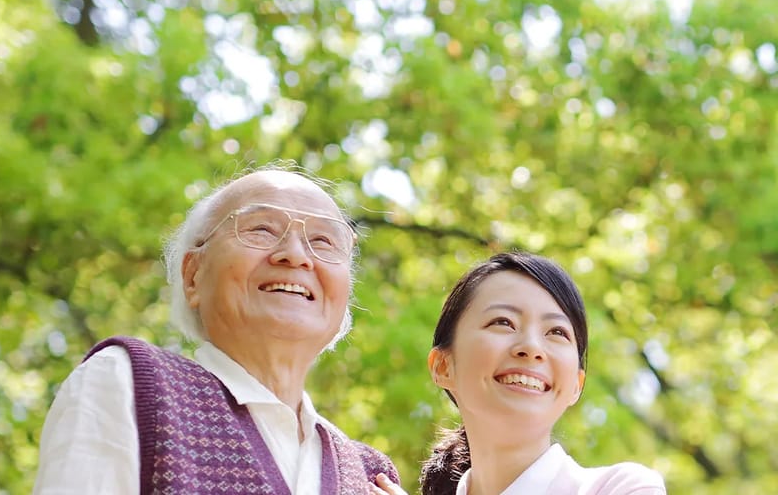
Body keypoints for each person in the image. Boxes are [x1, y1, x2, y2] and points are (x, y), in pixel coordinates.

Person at [34, 163, 400, 494]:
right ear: (193, 274)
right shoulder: (129, 384)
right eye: (261, 229)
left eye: (323, 241)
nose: (295, 255)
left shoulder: (370, 475)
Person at [372, 251, 665, 495]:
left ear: (576, 384)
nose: (531, 347)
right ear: (443, 366)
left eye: (557, 332)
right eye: (503, 322)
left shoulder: (621, 488)